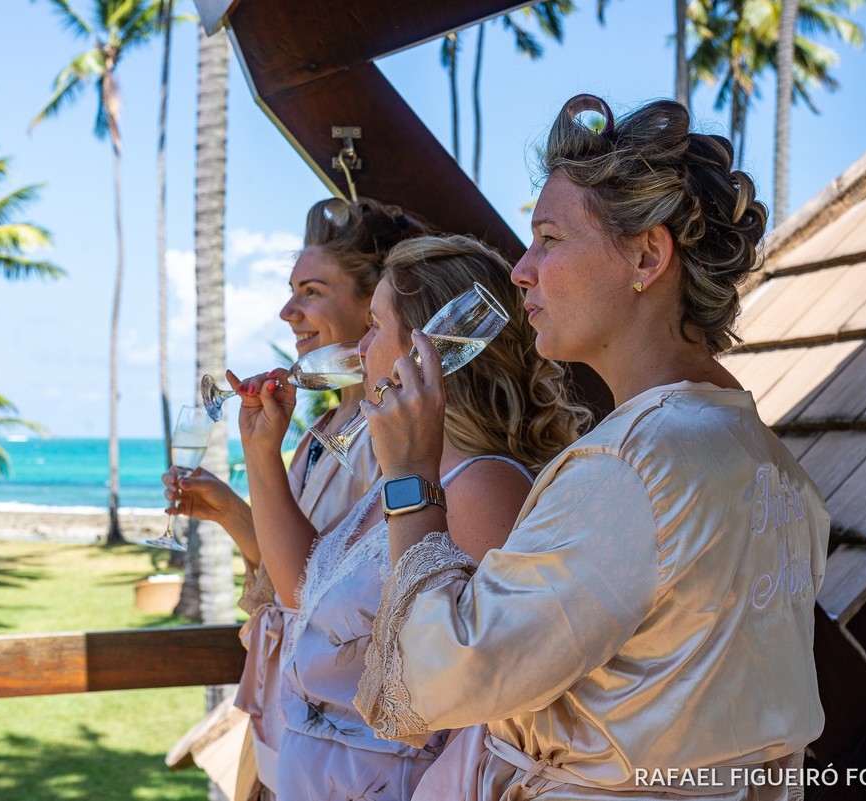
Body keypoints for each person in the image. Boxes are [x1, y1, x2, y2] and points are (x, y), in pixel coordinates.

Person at [353, 96, 831, 801]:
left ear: (647, 255)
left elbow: (432, 682)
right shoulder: (773, 467)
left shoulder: (632, 468)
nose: (521, 269)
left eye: (549, 238)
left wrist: (410, 480)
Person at [234, 235, 590, 800]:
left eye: (375, 325)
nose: (361, 346)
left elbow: (467, 691)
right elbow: (301, 588)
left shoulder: (482, 488)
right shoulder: (400, 470)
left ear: (433, 350)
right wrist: (261, 453)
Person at [164, 196, 426, 801]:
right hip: (291, 719)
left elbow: (308, 589)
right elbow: (294, 563)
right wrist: (229, 509)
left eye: (310, 291)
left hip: (351, 737)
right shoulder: (320, 434)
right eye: (291, 291)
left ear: (375, 305)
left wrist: (258, 455)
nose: (288, 312)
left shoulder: (399, 443)